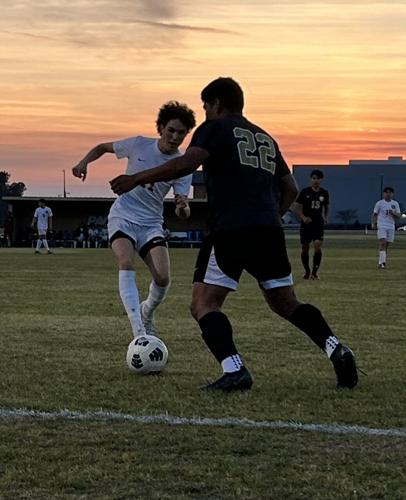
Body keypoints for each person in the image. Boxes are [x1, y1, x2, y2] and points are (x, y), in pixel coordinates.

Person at [109, 77, 358, 392]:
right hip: (269, 229)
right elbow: (291, 188)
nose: (206, 113)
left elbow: (187, 163)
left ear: (217, 104)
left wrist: (136, 178)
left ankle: (234, 369)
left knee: (203, 304)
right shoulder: (265, 138)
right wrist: (270, 216)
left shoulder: (215, 128)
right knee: (286, 302)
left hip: (230, 227)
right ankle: (336, 347)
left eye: (206, 107)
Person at [72, 101, 196, 338]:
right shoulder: (139, 144)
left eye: (181, 133)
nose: (175, 137)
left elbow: (183, 211)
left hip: (151, 224)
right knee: (126, 262)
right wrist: (83, 162)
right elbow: (102, 147)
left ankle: (147, 311)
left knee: (162, 277)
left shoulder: (182, 165)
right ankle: (139, 331)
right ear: (160, 128)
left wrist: (182, 206)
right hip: (124, 216)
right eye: (171, 130)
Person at [293, 169, 329, 280]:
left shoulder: (324, 193)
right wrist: (303, 217)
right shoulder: (305, 192)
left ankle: (315, 272)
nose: (316, 181)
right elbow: (296, 207)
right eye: (314, 178)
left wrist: (325, 217)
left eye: (318, 178)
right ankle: (307, 271)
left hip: (318, 223)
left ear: (321, 180)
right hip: (306, 224)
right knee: (305, 247)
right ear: (311, 179)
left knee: (318, 245)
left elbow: (326, 206)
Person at [371, 187, 401, 268]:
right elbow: (375, 214)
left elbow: (398, 216)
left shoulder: (395, 204)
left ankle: (382, 260)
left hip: (391, 226)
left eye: (390, 193)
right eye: (386, 192)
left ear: (392, 194)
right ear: (384, 194)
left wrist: (393, 214)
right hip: (382, 225)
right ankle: (382, 263)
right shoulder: (379, 203)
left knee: (386, 245)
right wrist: (373, 223)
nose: (388, 194)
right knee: (383, 242)